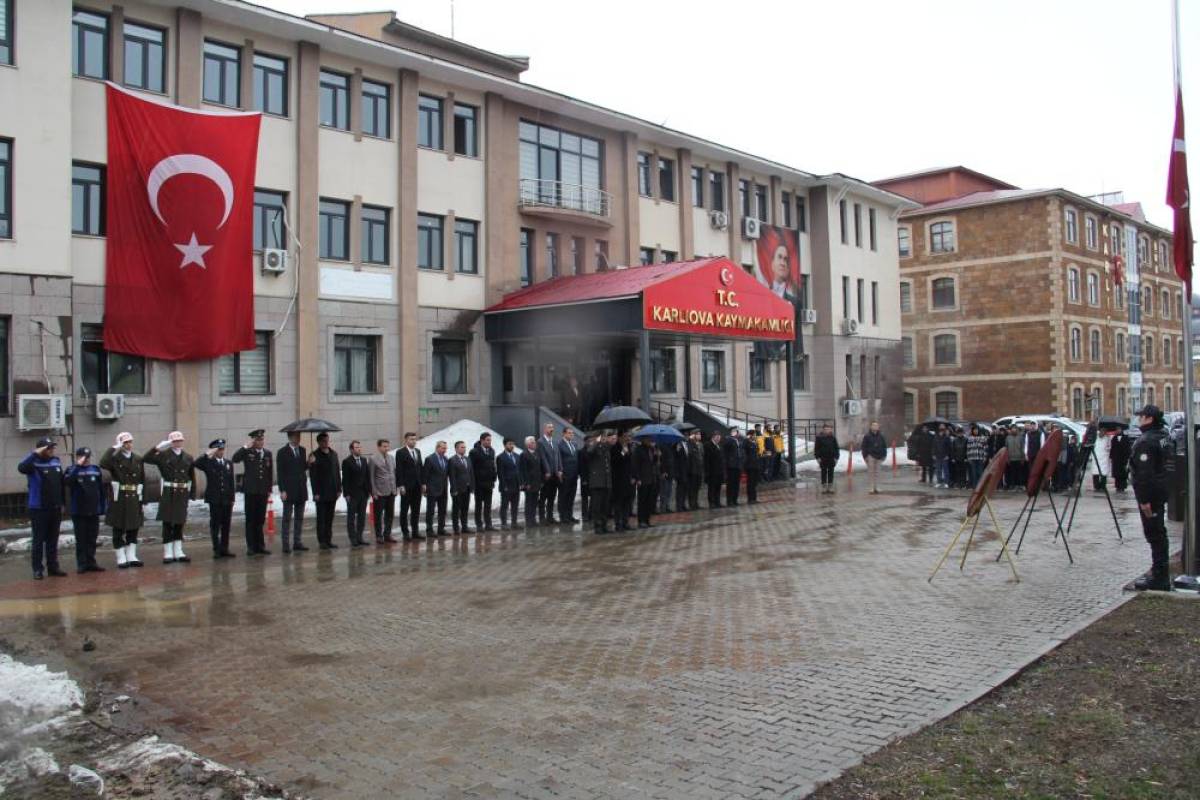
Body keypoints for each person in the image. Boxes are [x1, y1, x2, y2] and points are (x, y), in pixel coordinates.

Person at [1129, 404, 1172, 591]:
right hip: (1161, 491)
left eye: (1142, 417)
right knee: (1159, 533)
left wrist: (1144, 500)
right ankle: (1160, 572)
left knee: (1155, 534)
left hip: (1151, 495)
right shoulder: (1163, 436)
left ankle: (1160, 577)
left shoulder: (1146, 441)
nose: (1139, 420)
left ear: (1149, 419)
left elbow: (1144, 475)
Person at [19, 437, 67, 579]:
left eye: (52, 447)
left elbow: (60, 484)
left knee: (53, 539)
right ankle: (37, 569)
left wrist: (62, 502)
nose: (52, 450)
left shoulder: (55, 461)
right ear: (41, 450)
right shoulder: (33, 462)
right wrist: (35, 453)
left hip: (55, 507)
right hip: (39, 507)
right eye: (48, 448)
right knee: (39, 539)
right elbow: (21, 468)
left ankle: (53, 567)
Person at [144, 431, 193, 564]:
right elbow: (146, 458)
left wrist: (191, 494)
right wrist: (158, 447)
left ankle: (178, 551)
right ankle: (168, 552)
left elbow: (191, 476)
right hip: (169, 491)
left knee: (179, 523)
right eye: (175, 441)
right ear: (170, 443)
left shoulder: (188, 457)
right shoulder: (163, 455)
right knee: (167, 523)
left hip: (182, 492)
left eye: (180, 441)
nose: (178, 443)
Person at [100, 432, 145, 568]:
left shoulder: (137, 459)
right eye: (125, 443)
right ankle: (121, 557)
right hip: (119, 497)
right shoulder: (115, 459)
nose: (128, 445)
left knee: (133, 527)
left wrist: (143, 499)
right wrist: (114, 448)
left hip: (134, 496)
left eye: (130, 442)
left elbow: (142, 480)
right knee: (118, 528)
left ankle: (131, 555)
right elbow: (103, 463)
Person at [192, 439, 237, 559]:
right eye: (218, 449)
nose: (221, 451)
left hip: (227, 498)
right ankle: (216, 549)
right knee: (215, 524)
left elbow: (231, 482)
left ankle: (225, 548)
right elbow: (196, 463)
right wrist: (208, 453)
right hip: (215, 498)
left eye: (222, 449)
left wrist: (232, 497)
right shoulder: (209, 462)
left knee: (226, 524)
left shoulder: (228, 463)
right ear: (214, 450)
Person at [64, 446, 106, 573]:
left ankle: (91, 561)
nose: (86, 460)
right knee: (81, 538)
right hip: (79, 510)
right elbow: (68, 482)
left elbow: (101, 490)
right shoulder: (71, 470)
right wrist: (78, 466)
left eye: (88, 457)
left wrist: (103, 506)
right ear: (78, 457)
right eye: (84, 457)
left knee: (92, 538)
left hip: (93, 509)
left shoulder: (95, 469)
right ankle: (81, 563)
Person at [232, 429, 273, 556]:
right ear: (253, 441)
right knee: (251, 519)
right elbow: (235, 459)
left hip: (262, 491)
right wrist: (245, 447)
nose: (260, 442)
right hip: (251, 491)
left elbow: (269, 472)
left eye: (261, 440)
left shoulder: (267, 453)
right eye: (258, 440)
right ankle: (251, 546)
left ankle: (260, 545)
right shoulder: (247, 452)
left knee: (260, 519)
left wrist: (269, 489)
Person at [276, 431, 309, 553]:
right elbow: (280, 472)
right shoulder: (282, 452)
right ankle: (285, 544)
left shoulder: (302, 450)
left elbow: (301, 468)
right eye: (296, 436)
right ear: (290, 437)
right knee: (287, 518)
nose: (298, 438)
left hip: (301, 489)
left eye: (299, 436)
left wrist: (308, 463)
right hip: (289, 490)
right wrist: (282, 490)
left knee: (299, 518)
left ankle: (297, 542)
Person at [308, 433, 341, 550]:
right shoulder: (314, 455)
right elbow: (313, 477)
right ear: (319, 442)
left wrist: (339, 489)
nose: (326, 442)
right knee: (321, 518)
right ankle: (322, 541)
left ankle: (328, 539)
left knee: (329, 518)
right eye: (323, 441)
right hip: (321, 492)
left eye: (327, 440)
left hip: (332, 491)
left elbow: (337, 473)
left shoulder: (333, 454)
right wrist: (315, 492)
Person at [367, 439, 398, 544]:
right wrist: (373, 492)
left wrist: (395, 488)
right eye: (384, 446)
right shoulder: (373, 459)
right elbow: (371, 477)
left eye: (387, 446)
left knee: (390, 514)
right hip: (379, 492)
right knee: (378, 515)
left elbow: (393, 473)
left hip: (391, 491)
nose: (386, 448)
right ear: (379, 447)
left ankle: (387, 534)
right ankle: (379, 536)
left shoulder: (391, 458)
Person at [341, 440, 370, 547]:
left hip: (363, 493)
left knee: (362, 517)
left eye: (360, 447)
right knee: (351, 517)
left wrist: (368, 491)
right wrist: (346, 494)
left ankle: (359, 537)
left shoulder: (363, 460)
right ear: (351, 449)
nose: (359, 449)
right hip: (352, 494)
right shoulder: (347, 461)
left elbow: (367, 476)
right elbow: (345, 480)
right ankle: (353, 538)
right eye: (356, 447)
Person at [396, 432, 423, 540]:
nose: (413, 441)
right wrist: (401, 485)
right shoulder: (401, 452)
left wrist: (423, 483)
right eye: (411, 439)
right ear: (406, 440)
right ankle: (405, 532)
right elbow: (399, 470)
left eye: (415, 439)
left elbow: (420, 467)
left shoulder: (417, 451)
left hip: (417, 485)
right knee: (404, 510)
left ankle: (415, 531)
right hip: (406, 486)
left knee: (416, 510)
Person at [586, 431, 614, 534]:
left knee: (605, 506)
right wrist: (596, 442)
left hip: (606, 481)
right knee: (597, 506)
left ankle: (604, 525)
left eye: (604, 436)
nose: (603, 438)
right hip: (597, 482)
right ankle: (597, 526)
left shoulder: (606, 448)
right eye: (602, 436)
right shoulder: (593, 446)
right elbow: (589, 453)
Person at [422, 441, 450, 537]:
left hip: (443, 489)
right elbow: (425, 475)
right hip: (432, 489)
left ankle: (441, 528)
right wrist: (425, 487)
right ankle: (429, 530)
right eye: (443, 448)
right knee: (431, 511)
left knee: (442, 510)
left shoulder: (446, 459)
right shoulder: (430, 459)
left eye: (445, 448)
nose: (444, 450)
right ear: (437, 448)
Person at [470, 433, 498, 532]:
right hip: (479, 483)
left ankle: (488, 524)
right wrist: (473, 483)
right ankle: (479, 525)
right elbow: (471, 469)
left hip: (489, 483)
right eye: (487, 440)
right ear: (481, 440)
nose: (489, 442)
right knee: (479, 505)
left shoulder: (491, 451)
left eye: (490, 440)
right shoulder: (474, 452)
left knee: (488, 505)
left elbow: (493, 465)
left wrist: (494, 477)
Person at [537, 423, 562, 524]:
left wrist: (560, 469)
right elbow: (543, 458)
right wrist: (547, 471)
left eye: (552, 427)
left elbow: (558, 457)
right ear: (544, 429)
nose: (551, 429)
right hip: (546, 474)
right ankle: (542, 518)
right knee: (543, 497)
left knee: (552, 496)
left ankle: (550, 516)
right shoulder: (540, 442)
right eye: (549, 427)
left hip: (555, 474)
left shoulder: (555, 442)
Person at [448, 440, 475, 535]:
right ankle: (456, 528)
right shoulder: (452, 460)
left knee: (465, 508)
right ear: (456, 449)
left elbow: (471, 473)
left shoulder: (468, 459)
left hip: (467, 488)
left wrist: (472, 486)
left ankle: (464, 526)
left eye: (464, 447)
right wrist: (454, 489)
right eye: (462, 447)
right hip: (457, 489)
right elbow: (452, 476)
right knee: (456, 509)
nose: (464, 449)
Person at [632, 437, 659, 528]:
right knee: (642, 501)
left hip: (651, 478)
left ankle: (647, 520)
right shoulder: (638, 450)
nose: (650, 441)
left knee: (649, 500)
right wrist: (637, 478)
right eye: (648, 440)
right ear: (643, 440)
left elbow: (653, 463)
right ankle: (641, 521)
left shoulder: (651, 449)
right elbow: (636, 465)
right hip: (642, 479)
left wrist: (656, 455)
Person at [611, 432, 635, 531]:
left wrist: (633, 476)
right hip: (618, 481)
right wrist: (622, 453)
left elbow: (631, 463)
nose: (626, 438)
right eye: (624, 436)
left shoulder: (629, 447)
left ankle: (625, 522)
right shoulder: (615, 448)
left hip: (628, 480)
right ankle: (618, 524)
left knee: (627, 503)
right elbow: (614, 461)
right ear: (620, 438)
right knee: (618, 504)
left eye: (627, 436)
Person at [496, 438, 522, 530]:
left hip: (516, 484)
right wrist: (504, 485)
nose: (512, 446)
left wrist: (521, 483)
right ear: (505, 445)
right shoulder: (500, 457)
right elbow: (500, 473)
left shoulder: (517, 456)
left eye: (513, 444)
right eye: (510, 444)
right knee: (505, 505)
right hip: (506, 485)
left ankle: (514, 523)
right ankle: (504, 523)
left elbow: (520, 471)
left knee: (515, 505)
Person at [518, 436, 543, 529]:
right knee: (529, 502)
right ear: (528, 444)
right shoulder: (524, 455)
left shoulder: (537, 453)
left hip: (536, 481)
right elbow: (522, 470)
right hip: (529, 483)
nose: (534, 444)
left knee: (534, 501)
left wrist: (541, 481)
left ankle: (533, 519)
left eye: (534, 442)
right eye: (532, 442)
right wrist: (525, 483)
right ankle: (529, 520)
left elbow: (539, 468)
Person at [557, 428, 580, 523]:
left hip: (574, 474)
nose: (571, 435)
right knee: (564, 496)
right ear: (564, 434)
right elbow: (558, 459)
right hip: (565, 474)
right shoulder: (559, 445)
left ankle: (569, 515)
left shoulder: (574, 444)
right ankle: (563, 517)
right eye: (569, 433)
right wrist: (560, 471)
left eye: (572, 433)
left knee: (571, 496)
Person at [861, 421, 888, 494]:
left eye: (876, 425)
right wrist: (865, 456)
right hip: (870, 456)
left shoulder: (881, 436)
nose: (875, 427)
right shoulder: (867, 436)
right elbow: (863, 447)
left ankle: (877, 486)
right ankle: (871, 487)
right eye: (873, 425)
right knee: (871, 472)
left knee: (878, 472)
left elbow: (884, 446)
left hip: (879, 456)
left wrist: (884, 455)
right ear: (871, 427)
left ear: (878, 427)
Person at [721, 427, 745, 506]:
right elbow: (725, 451)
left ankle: (735, 500)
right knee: (731, 484)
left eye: (737, 431)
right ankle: (730, 500)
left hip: (738, 465)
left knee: (736, 484)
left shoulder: (739, 441)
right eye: (735, 431)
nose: (737, 433)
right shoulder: (728, 440)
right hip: (731, 465)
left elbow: (741, 451)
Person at [814, 424, 839, 493]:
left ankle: (830, 487)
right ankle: (824, 487)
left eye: (828, 429)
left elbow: (836, 448)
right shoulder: (819, 438)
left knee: (831, 472)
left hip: (831, 457)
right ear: (823, 430)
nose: (827, 430)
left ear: (830, 430)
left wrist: (836, 457)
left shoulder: (833, 438)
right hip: (823, 458)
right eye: (825, 429)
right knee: (823, 472)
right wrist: (817, 457)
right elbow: (816, 449)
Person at [703, 430, 725, 508]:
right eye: (717, 436)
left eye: (719, 436)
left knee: (718, 488)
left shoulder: (719, 446)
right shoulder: (708, 445)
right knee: (711, 488)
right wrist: (707, 472)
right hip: (712, 471)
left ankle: (717, 502)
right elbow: (707, 460)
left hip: (719, 471)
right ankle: (711, 503)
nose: (719, 438)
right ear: (713, 437)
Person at [685, 429, 705, 510]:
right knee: (692, 488)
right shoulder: (690, 444)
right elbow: (689, 453)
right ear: (693, 435)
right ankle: (691, 504)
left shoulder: (700, 444)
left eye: (700, 434)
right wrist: (690, 439)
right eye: (697, 434)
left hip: (699, 469)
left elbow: (702, 455)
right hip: (692, 469)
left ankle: (696, 503)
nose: (699, 436)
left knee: (697, 487)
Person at [1110, 427, 1131, 493]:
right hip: (1116, 458)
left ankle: (1122, 486)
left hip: (1123, 458)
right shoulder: (1114, 438)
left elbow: (1128, 448)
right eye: (1117, 429)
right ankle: (1117, 486)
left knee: (1123, 473)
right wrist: (1111, 456)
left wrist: (1127, 457)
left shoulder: (1126, 438)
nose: (1118, 430)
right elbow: (1112, 448)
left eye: (1119, 429)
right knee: (1117, 473)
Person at [673, 436, 690, 512]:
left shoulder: (686, 445)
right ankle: (679, 506)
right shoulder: (678, 445)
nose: (686, 437)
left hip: (686, 471)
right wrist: (677, 449)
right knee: (680, 490)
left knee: (685, 489)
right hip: (680, 471)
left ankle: (683, 504)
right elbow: (676, 458)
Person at [1006, 425, 1026, 489]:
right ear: (1011, 429)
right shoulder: (1008, 438)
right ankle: (1012, 485)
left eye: (1015, 428)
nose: (1014, 430)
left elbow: (1023, 448)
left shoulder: (1020, 437)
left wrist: (1023, 458)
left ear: (1017, 429)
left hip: (1019, 458)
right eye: (1012, 428)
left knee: (1019, 473)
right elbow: (1006, 448)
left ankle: (1019, 485)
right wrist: (1007, 458)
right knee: (1012, 473)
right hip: (1011, 458)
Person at [743, 432, 761, 504]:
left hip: (756, 465)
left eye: (755, 435)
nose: (754, 436)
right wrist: (747, 439)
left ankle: (754, 498)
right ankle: (750, 499)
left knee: (754, 483)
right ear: (749, 436)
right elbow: (744, 447)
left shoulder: (755, 443)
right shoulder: (747, 443)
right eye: (753, 435)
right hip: (750, 466)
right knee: (750, 483)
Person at [579, 433, 593, 521]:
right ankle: (584, 515)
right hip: (585, 478)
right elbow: (581, 466)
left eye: (591, 441)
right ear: (585, 442)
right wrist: (583, 478)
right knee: (584, 498)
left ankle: (591, 514)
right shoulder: (581, 452)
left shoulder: (592, 451)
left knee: (593, 497)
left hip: (593, 477)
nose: (590, 443)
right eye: (588, 441)